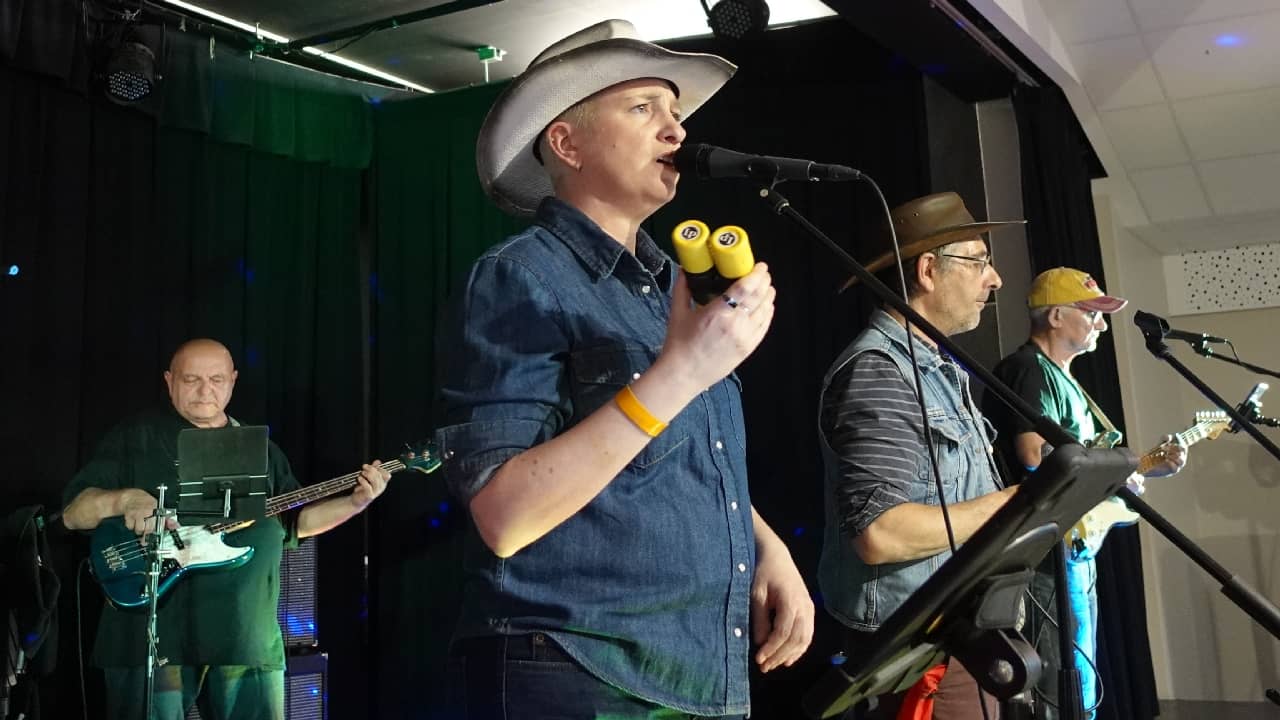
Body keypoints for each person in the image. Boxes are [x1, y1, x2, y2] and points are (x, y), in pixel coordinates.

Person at [436, 18, 814, 719]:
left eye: (676, 113)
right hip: (576, 669)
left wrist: (766, 546)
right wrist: (678, 372)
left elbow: (672, 457)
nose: (676, 132)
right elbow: (503, 511)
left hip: (694, 668)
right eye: (643, 108)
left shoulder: (671, 283)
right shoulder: (519, 277)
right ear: (566, 142)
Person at [61, 338, 390, 720]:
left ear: (233, 381)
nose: (206, 390)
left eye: (217, 379)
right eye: (191, 379)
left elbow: (295, 523)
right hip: (151, 640)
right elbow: (72, 514)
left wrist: (355, 502)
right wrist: (123, 500)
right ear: (169, 381)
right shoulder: (136, 437)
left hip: (246, 636)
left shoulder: (262, 450)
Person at [817, 191, 1022, 719]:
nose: (994, 279)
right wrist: (1013, 507)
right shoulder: (881, 372)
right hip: (924, 653)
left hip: (965, 637)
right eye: (978, 261)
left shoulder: (938, 368)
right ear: (928, 271)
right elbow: (879, 533)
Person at [982, 268, 1186, 719]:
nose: (1102, 324)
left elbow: (1080, 468)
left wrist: (1142, 471)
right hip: (1042, 554)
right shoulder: (1026, 369)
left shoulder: (1067, 380)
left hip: (1070, 548)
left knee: (1078, 676)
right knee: (1057, 683)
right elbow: (1036, 454)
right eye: (1092, 313)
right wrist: (1114, 469)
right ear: (1056, 316)